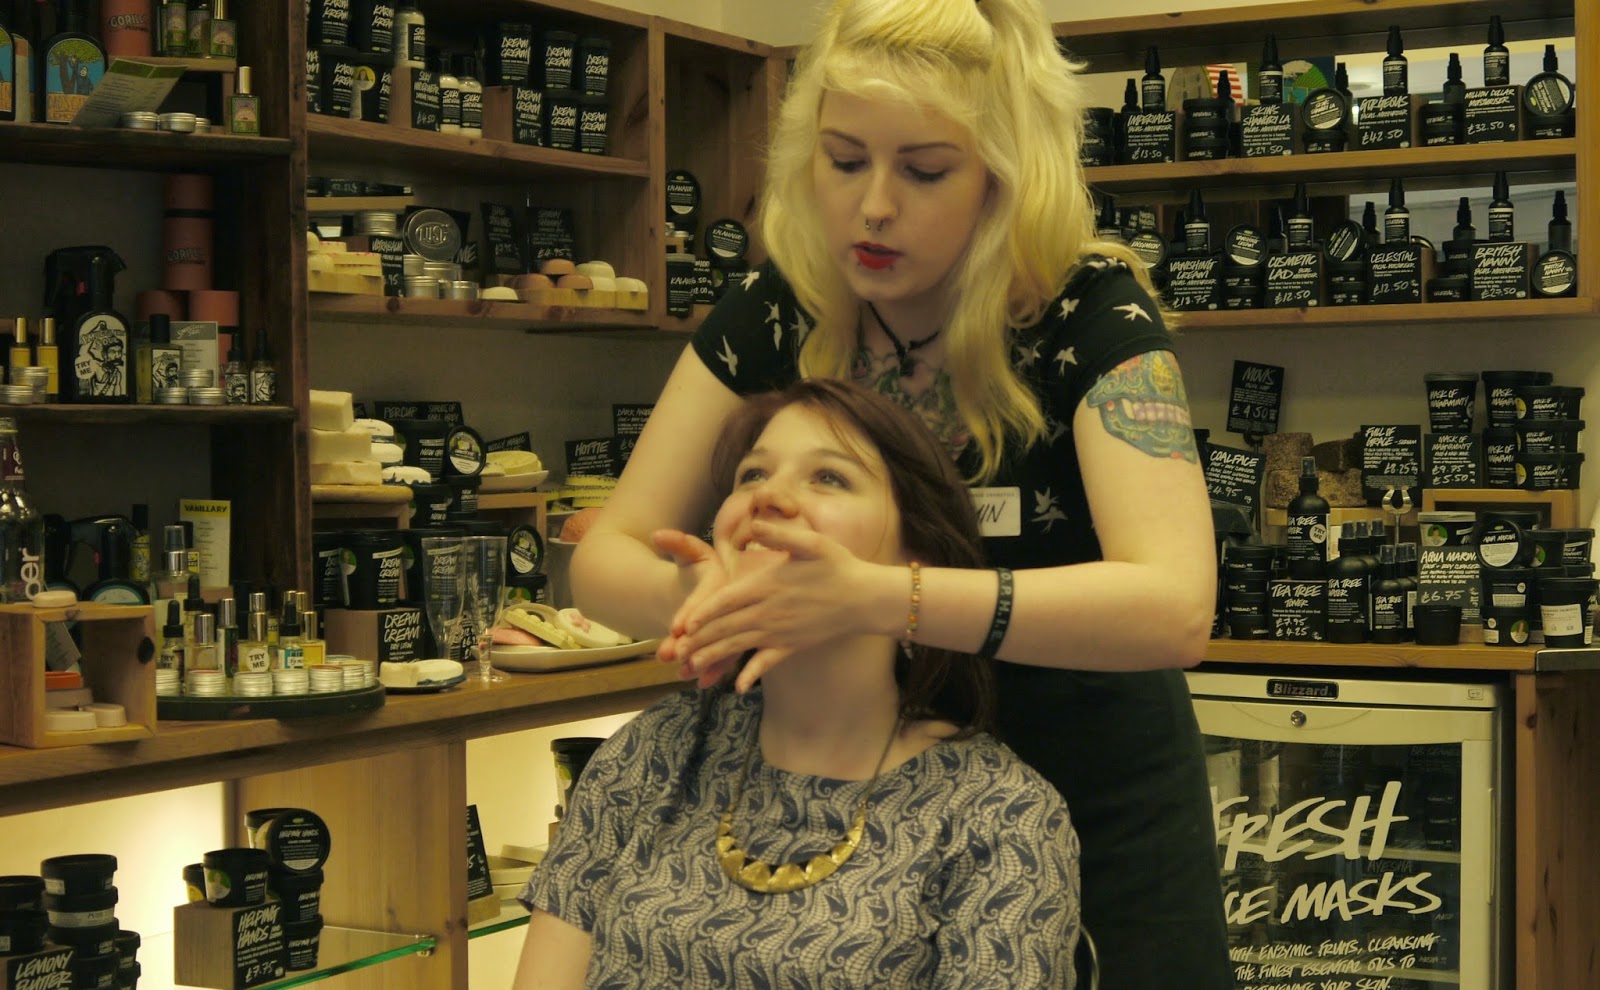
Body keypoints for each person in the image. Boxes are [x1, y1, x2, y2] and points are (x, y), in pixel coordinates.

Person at [571, 0, 1230, 985]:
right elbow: (603, 558)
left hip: (1092, 793)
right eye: (843, 161)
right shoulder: (775, 311)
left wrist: (874, 598)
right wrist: (730, 601)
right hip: (851, 797)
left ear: (1004, 176)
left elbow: (1175, 608)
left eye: (924, 171)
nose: (873, 206)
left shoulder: (1086, 317)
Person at [516, 379, 1080, 988]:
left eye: (829, 477)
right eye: (752, 474)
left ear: (916, 558)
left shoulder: (999, 814)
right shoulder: (657, 751)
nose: (768, 496)